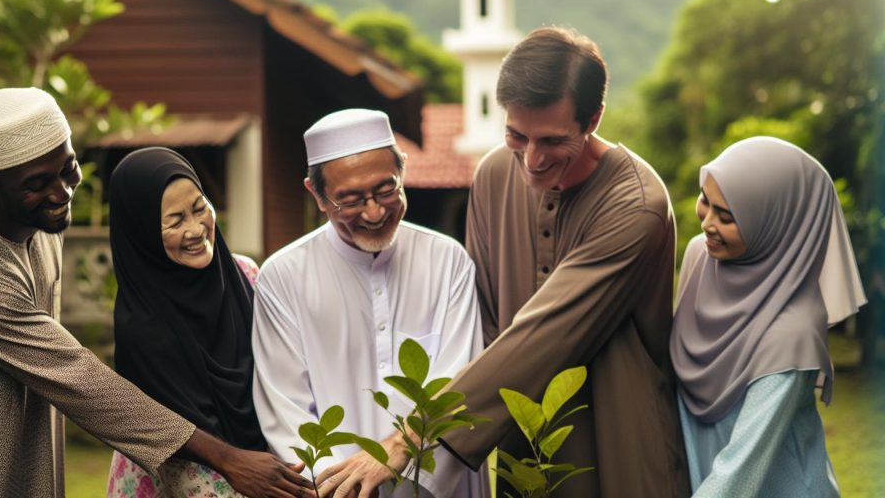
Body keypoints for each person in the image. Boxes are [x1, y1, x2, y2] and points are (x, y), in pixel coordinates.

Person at [0, 88, 310, 498]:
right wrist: (229, 459)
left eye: (68, 169)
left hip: (21, 440)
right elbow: (78, 378)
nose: (62, 192)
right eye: (37, 183)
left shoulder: (41, 224)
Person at [319, 27, 690, 498]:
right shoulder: (494, 175)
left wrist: (411, 436)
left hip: (622, 442)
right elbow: (487, 325)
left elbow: (548, 331)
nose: (532, 160)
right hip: (521, 444)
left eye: (552, 140)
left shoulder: (635, 205)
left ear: (593, 118)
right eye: (517, 134)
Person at [252, 109, 487, 497]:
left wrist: (414, 487)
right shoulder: (283, 276)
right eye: (350, 199)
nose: (375, 212)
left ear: (403, 169)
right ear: (316, 195)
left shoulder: (448, 261)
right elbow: (285, 407)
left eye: (386, 190)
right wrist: (341, 486)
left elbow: (457, 384)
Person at [104, 147, 308, 497]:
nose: (196, 229)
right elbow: (177, 444)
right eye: (175, 221)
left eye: (200, 208)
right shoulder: (142, 325)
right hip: (186, 475)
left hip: (265, 457)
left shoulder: (245, 275)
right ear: (143, 232)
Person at [670, 137, 865, 497]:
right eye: (705, 200)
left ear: (776, 224)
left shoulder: (793, 332)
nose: (707, 223)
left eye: (726, 216)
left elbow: (739, 470)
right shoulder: (701, 258)